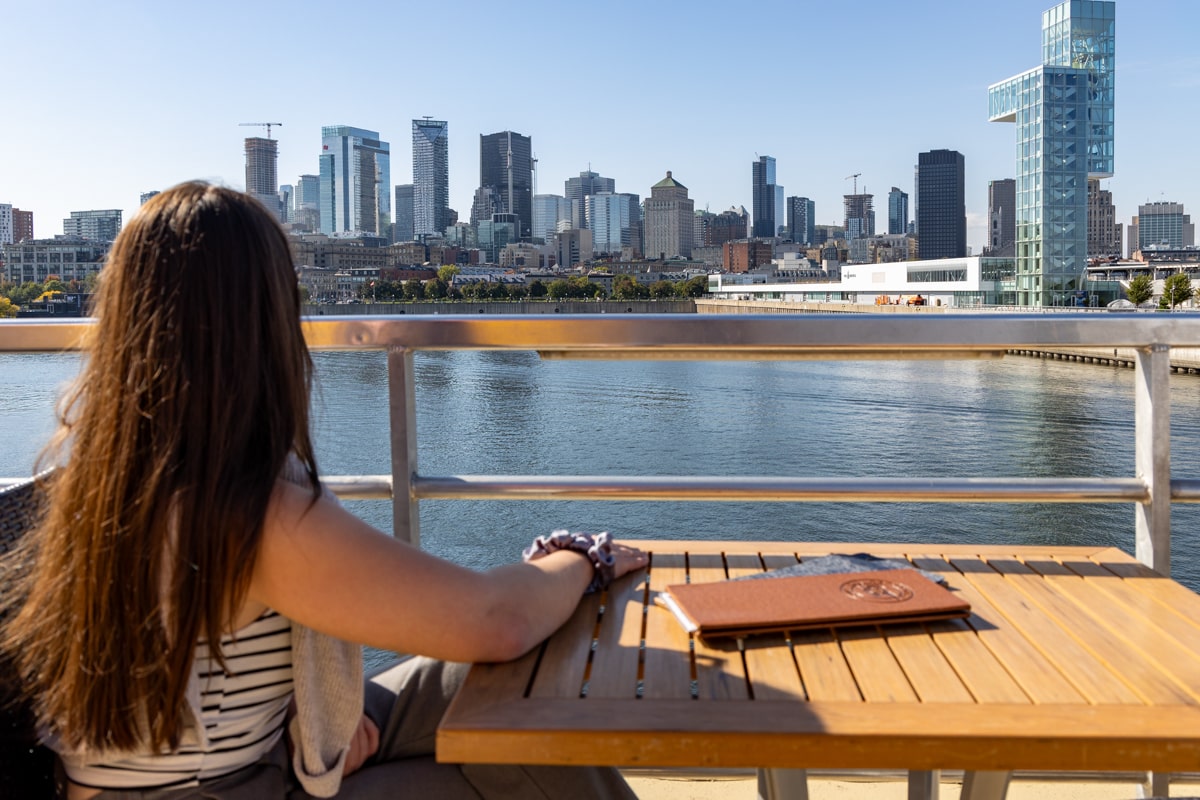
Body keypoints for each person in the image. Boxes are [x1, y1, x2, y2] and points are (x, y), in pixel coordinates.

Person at [0, 182, 647, 799]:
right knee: (516, 751)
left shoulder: (83, 488)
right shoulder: (242, 513)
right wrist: (579, 559)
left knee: (498, 687)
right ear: (265, 321)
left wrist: (300, 712)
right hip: (220, 788)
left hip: (178, 765)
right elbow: (495, 621)